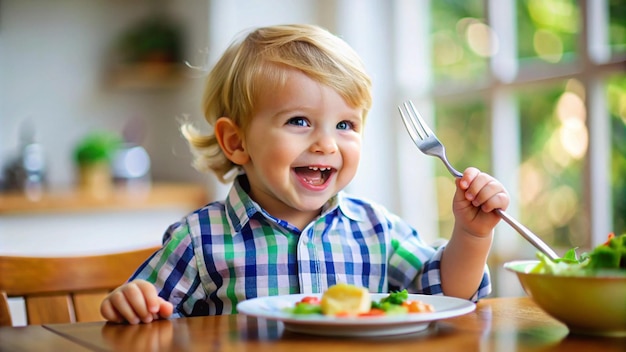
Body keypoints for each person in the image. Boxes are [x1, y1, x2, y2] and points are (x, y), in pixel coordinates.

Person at [100, 24, 509, 325]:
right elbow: (149, 313)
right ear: (236, 142)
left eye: (345, 125)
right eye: (299, 121)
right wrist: (134, 304)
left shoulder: (377, 230)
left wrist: (472, 236)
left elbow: (446, 294)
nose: (327, 144)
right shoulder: (200, 239)